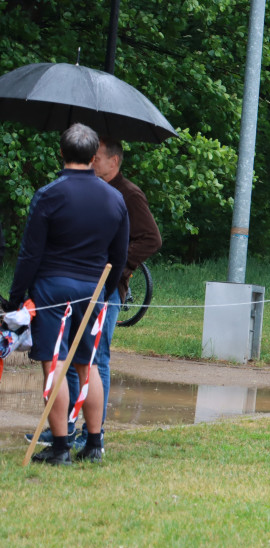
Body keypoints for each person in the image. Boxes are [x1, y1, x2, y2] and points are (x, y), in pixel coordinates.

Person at [5, 123, 129, 465]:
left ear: (61, 152)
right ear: (93, 156)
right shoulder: (115, 198)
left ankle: (60, 448)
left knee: (55, 365)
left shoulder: (48, 194)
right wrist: (104, 290)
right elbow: (118, 257)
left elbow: (30, 254)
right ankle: (94, 443)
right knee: (88, 366)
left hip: (52, 290)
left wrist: (16, 297)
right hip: (93, 289)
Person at [57, 137, 162, 451]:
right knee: (73, 357)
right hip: (79, 286)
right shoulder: (88, 188)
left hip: (108, 288)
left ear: (114, 161)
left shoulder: (128, 194)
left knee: (95, 357)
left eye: (98, 158)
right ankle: (65, 427)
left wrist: (118, 266)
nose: (91, 162)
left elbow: (152, 239)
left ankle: (94, 432)